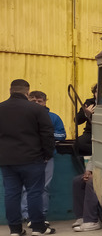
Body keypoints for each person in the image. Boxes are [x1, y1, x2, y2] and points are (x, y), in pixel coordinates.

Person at [0, 79, 56, 236]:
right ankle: (38, 227)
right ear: (27, 92)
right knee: (35, 192)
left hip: (7, 160)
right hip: (32, 159)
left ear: (10, 90)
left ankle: (15, 229)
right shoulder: (37, 109)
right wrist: (47, 154)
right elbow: (47, 134)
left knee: (11, 193)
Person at [21, 90, 67, 224]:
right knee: (26, 187)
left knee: (44, 187)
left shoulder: (53, 117)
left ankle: (42, 215)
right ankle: (26, 215)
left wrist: (46, 134)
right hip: (27, 157)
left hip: (48, 157)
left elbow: (62, 135)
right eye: (33, 101)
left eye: (39, 101)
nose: (36, 103)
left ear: (45, 102)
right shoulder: (22, 116)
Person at [71, 160, 101, 232]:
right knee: (78, 181)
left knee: (91, 182)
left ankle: (92, 221)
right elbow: (93, 157)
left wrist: (96, 174)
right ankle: (82, 217)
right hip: (98, 171)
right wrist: (88, 171)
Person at [75, 84, 96, 156]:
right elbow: (77, 120)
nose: (99, 94)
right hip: (90, 132)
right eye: (96, 92)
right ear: (93, 93)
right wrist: (86, 114)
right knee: (78, 144)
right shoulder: (89, 103)